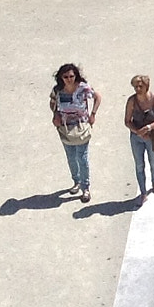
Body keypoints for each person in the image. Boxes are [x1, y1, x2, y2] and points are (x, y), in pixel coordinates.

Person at [49, 63, 97, 202]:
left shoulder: (82, 87)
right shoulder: (58, 90)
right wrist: (55, 114)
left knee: (82, 158)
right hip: (65, 128)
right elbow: (52, 102)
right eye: (66, 77)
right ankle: (76, 181)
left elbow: (97, 97)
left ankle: (85, 187)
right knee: (71, 157)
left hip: (81, 126)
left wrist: (93, 114)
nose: (69, 79)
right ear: (61, 77)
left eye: (71, 76)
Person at [124, 73, 154, 200]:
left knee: (153, 162)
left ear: (147, 86)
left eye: (140, 86)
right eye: (135, 86)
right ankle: (143, 192)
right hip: (137, 138)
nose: (137, 89)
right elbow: (127, 121)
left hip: (152, 136)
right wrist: (138, 132)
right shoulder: (132, 101)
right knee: (139, 165)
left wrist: (148, 128)